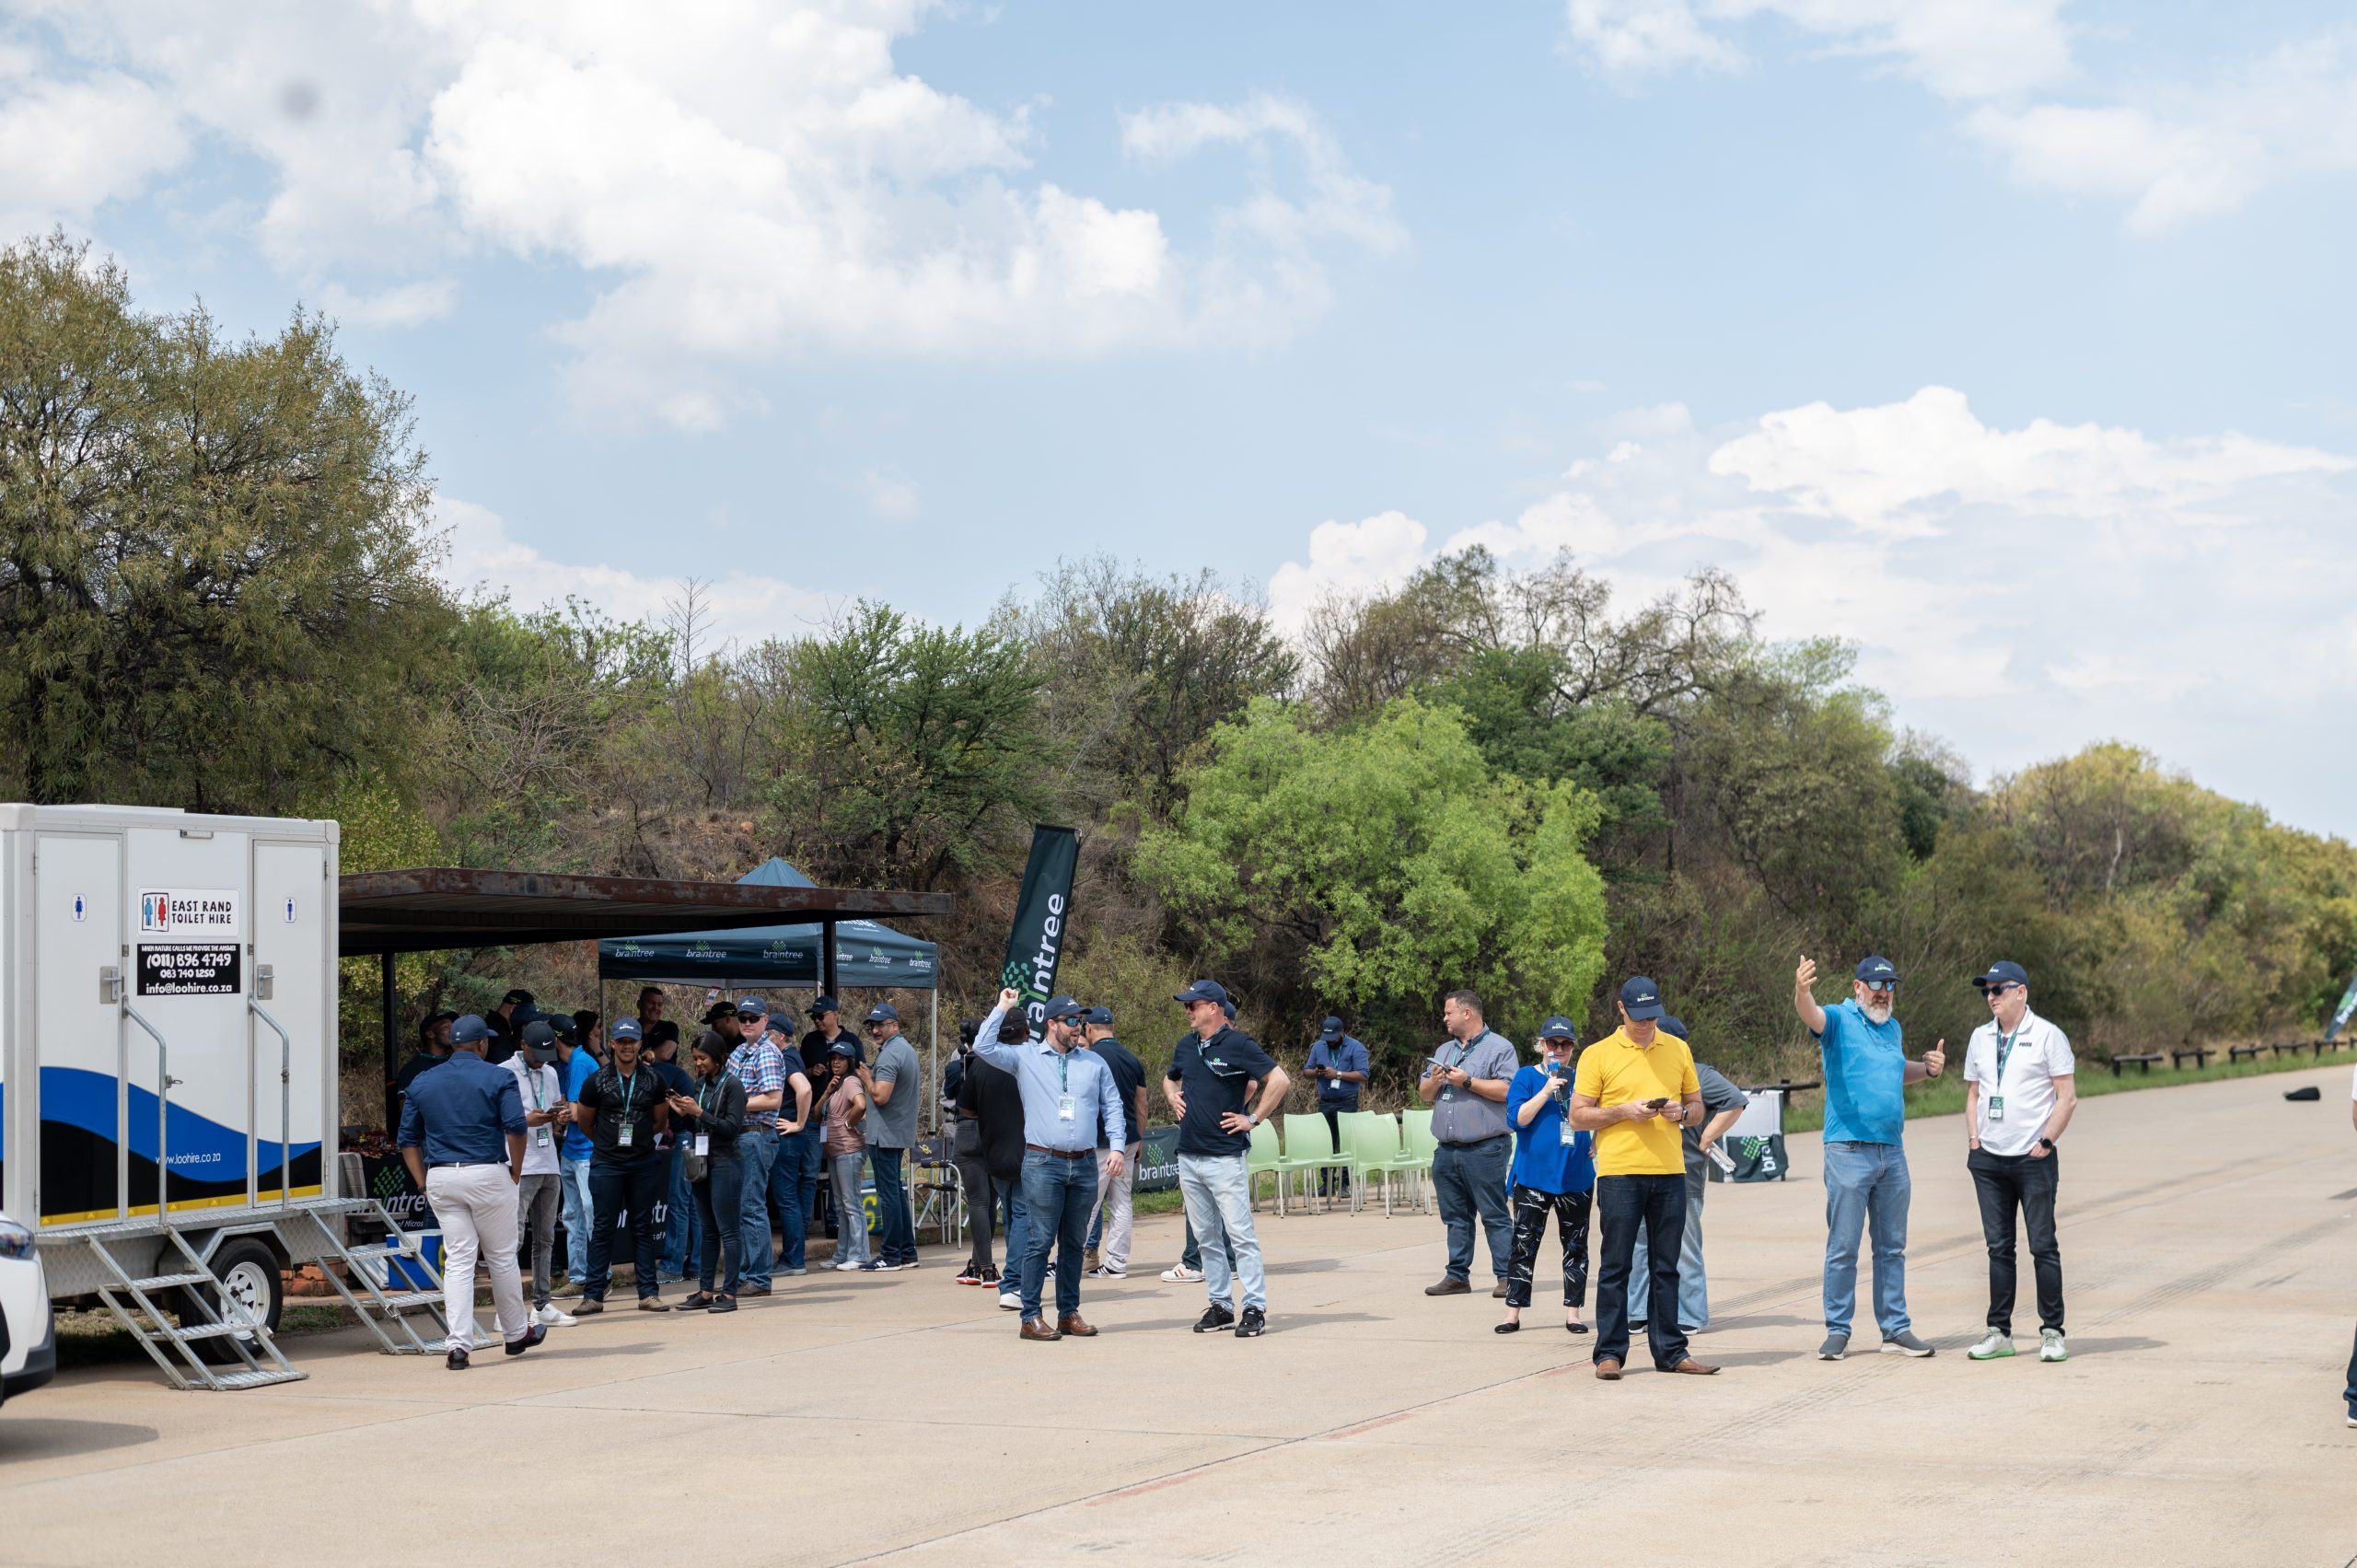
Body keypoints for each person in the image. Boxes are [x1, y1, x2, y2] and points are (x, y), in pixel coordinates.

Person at [1793, 954, 1946, 1362]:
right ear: (1858, 987)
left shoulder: (1892, 1028)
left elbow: (1895, 1071)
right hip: (1847, 1150)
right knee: (1844, 1246)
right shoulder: (1839, 1020)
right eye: (1876, 986)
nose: (1883, 993)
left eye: (1890, 985)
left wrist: (1926, 1069)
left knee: (1892, 1247)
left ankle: (1895, 1328)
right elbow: (1810, 1015)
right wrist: (1802, 990)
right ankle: (1838, 1330)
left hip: (1892, 1153)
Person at [1570, 977, 1716, 1381]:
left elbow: (1697, 1106)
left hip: (1670, 1172)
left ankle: (1671, 1350)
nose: (1645, 1024)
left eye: (1652, 1017)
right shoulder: (1598, 1054)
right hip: (1620, 1172)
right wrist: (1623, 1112)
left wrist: (1681, 1115)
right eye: (1638, 1017)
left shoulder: (1678, 1048)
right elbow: (1578, 1115)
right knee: (1616, 1265)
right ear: (1621, 1009)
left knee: (1666, 1266)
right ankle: (1610, 1353)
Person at [972, 991, 1126, 1341]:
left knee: (1074, 1242)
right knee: (1039, 1242)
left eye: (1081, 1021)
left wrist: (1117, 1148)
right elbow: (982, 1047)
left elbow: (1113, 1107)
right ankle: (1030, 1316)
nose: (1078, 1027)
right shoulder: (1025, 1056)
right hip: (1043, 1162)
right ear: (1051, 1024)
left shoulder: (1094, 1062)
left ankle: (1068, 1313)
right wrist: (1002, 1007)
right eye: (1071, 1021)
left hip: (1085, 1163)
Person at [396, 1014, 544, 1370]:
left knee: (460, 1262)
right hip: (487, 1171)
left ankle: (458, 1347)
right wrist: (517, 1170)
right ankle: (514, 1334)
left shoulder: (423, 1081)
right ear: (482, 1044)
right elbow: (515, 1128)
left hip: (442, 1176)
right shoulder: (499, 1076)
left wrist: (422, 1182)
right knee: (501, 1257)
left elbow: (407, 1139)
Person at [1963, 960, 2076, 1364]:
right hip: (1989, 1159)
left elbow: (2067, 1096)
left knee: (2043, 1246)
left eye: (1998, 989)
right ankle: (2000, 1331)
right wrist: (1975, 1141)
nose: (1991, 997)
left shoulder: (2047, 1035)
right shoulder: (1980, 1038)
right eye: (1986, 991)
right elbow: (1975, 1094)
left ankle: (2052, 1331)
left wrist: (2046, 1141)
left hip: (2033, 1157)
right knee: (1999, 1248)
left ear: (2021, 992)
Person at [1164, 980, 1286, 1338]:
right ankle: (1220, 1305)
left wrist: (1253, 1119)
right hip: (1189, 1155)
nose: (1188, 1011)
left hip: (1224, 1156)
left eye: (1193, 1005)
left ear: (1213, 1008)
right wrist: (1173, 1096)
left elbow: (1279, 1080)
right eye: (1186, 1006)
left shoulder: (1238, 1043)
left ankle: (1254, 1307)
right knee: (1205, 1238)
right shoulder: (1186, 1046)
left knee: (1240, 1235)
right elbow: (1169, 1079)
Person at [1628, 1015, 1750, 1336]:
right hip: (1643, 1168)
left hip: (1684, 1173)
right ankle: (1638, 1311)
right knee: (1639, 1242)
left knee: (1684, 1245)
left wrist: (1707, 1136)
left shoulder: (1698, 1073)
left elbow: (1735, 1101)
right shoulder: (1644, 1071)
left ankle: (1691, 1315)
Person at [1497, 1016, 1595, 1335]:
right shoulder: (1526, 1076)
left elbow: (1601, 1113)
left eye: (1565, 1044)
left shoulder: (1584, 1079)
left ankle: (1573, 1313)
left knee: (1576, 1247)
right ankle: (1513, 1313)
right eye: (1553, 1043)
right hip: (1533, 1177)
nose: (1559, 1050)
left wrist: (1598, 1141)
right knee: (1524, 1244)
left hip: (1575, 1176)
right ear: (1542, 1045)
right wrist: (1546, 1090)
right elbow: (1517, 1119)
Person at [1419, 991, 1519, 1298]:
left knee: (1494, 1214)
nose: (1445, 1018)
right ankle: (1457, 1276)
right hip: (1447, 1149)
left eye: (1449, 1012)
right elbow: (1424, 1094)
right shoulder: (1444, 1050)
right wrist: (1435, 1080)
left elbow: (1508, 1090)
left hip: (1485, 1147)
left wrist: (1467, 1081)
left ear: (1467, 1014)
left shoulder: (1500, 1048)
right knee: (1455, 1216)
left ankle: (1507, 1276)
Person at [571, 1020, 673, 1314]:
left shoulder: (654, 1080)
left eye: (633, 1041)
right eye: (621, 1040)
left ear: (641, 1044)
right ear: (612, 1044)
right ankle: (593, 1295)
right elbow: (586, 1122)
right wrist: (607, 1144)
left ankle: (648, 1294)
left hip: (642, 1163)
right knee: (603, 1228)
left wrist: (637, 1143)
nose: (627, 1046)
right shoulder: (597, 1080)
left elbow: (659, 1121)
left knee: (643, 1227)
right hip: (607, 1164)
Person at [668, 1031, 749, 1312]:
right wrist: (685, 1114)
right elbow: (699, 1127)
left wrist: (700, 1113)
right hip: (702, 1161)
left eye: (702, 1058)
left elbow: (731, 1128)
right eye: (695, 1058)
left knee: (729, 1230)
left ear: (718, 1058)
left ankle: (729, 1294)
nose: (698, 1063)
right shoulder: (701, 1083)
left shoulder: (733, 1086)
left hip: (726, 1161)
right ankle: (705, 1291)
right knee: (707, 1230)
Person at [505, 1020, 577, 1329]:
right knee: (512, 1239)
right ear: (522, 1045)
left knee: (545, 1238)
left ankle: (542, 1304)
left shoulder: (549, 1072)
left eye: (546, 1054)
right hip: (519, 1164)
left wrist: (559, 1116)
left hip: (549, 1163)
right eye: (536, 1054)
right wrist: (527, 1120)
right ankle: (506, 1312)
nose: (541, 1060)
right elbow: (499, 1119)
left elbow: (552, 1113)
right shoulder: (504, 1071)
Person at [959, 1010, 1031, 1307]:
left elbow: (965, 1109)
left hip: (995, 1151)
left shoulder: (981, 1065)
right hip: (1027, 1150)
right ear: (1026, 1031)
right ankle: (1014, 1280)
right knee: (1024, 1216)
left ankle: (1019, 1274)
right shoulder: (1032, 1061)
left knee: (1013, 1214)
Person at [725, 997, 787, 1296]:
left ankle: (759, 1278)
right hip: (738, 1135)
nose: (747, 1023)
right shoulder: (738, 1052)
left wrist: (733, 1106)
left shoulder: (766, 1052)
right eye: (742, 1018)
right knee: (740, 1208)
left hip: (756, 1133)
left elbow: (773, 1098)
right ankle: (747, 1274)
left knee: (751, 1206)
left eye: (753, 1017)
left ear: (765, 1020)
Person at [623, 1020, 693, 1283]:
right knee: (690, 1202)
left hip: (688, 1137)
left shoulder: (654, 1076)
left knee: (678, 1201)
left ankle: (673, 1266)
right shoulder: (664, 1071)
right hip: (694, 1137)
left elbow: (660, 1119)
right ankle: (695, 1263)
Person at [1081, 1006, 1146, 1279]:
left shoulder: (1088, 1058)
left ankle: (1070, 1261)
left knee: (1087, 1203)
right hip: (1128, 1140)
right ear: (1112, 1027)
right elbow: (1141, 1102)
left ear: (1088, 1029)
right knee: (1121, 1202)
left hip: (1099, 1142)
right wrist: (1139, 1137)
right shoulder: (1132, 1058)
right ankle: (1117, 1263)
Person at [857, 1004, 923, 1271]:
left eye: (880, 1025)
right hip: (897, 1131)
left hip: (885, 1134)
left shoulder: (890, 1055)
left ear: (894, 1025)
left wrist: (865, 1077)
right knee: (895, 1191)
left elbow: (881, 1095)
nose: (874, 1030)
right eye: (872, 1026)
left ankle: (891, 1255)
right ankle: (907, 1252)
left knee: (889, 1195)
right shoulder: (905, 1050)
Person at [763, 1017, 818, 1277]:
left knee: (786, 1198)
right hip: (787, 1135)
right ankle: (792, 1257)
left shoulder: (787, 1058)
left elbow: (805, 1089)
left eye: (767, 1035)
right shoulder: (790, 1056)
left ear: (779, 1036)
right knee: (787, 1197)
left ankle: (793, 1259)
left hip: (786, 1136)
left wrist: (799, 1123)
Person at [552, 1011, 599, 1295]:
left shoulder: (580, 1062)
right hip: (572, 1150)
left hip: (586, 1150)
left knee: (589, 1213)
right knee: (572, 1215)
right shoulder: (570, 1063)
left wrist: (561, 1112)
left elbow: (575, 1111)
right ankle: (580, 1276)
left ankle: (599, 1276)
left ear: (556, 1039)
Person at [821, 1042, 874, 1271]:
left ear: (850, 1061)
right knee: (841, 1205)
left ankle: (860, 1254)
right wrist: (826, 1093)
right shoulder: (836, 1084)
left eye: (841, 1058)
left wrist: (847, 1123)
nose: (836, 1062)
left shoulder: (851, 1081)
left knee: (851, 1204)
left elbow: (861, 1105)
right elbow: (817, 1114)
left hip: (849, 1150)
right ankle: (842, 1254)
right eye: (833, 1058)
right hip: (834, 1151)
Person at [1306, 1016, 1367, 1199]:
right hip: (1325, 1100)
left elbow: (1363, 1075)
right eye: (1327, 1037)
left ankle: (1344, 1184)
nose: (1330, 1041)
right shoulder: (1318, 1047)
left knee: (1345, 1143)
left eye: (1333, 1036)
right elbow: (1306, 1071)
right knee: (1326, 1143)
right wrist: (1317, 1072)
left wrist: (1338, 1074)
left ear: (1342, 1032)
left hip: (1347, 1100)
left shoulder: (1356, 1047)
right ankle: (1327, 1183)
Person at [392, 1012, 457, 1100]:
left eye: (453, 1026)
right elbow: (406, 1109)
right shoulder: (413, 1069)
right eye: (446, 1027)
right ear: (431, 1034)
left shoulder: (456, 1062)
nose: (453, 1030)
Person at [483, 988, 533, 1065]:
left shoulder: (495, 1027)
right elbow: (506, 1067)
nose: (527, 1019)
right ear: (513, 1009)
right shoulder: (496, 1035)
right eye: (526, 1014)